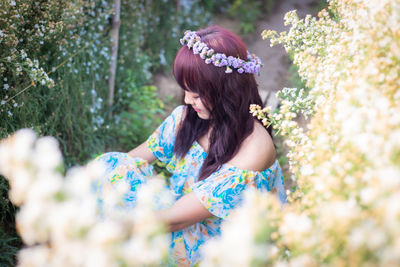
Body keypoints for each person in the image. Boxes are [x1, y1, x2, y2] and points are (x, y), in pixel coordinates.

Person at [96, 25, 286, 266]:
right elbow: (130, 160)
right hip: (180, 219)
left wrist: (106, 232)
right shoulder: (189, 118)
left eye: (196, 95)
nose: (187, 100)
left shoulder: (254, 149)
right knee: (108, 167)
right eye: (185, 91)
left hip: (220, 250)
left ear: (227, 91)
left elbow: (175, 220)